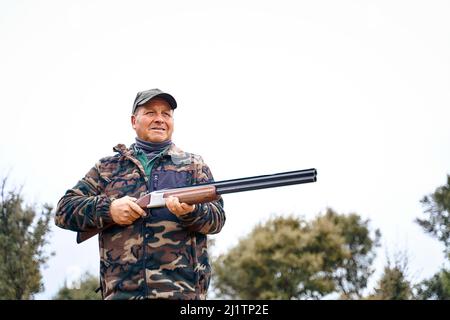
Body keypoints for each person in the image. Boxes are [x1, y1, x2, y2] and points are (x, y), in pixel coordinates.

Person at [55, 88, 226, 300]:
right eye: (150, 113)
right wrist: (109, 210)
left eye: (166, 114)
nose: (159, 119)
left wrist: (191, 212)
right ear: (134, 120)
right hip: (121, 295)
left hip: (182, 295)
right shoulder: (107, 168)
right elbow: (63, 210)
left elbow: (217, 220)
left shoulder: (194, 166)